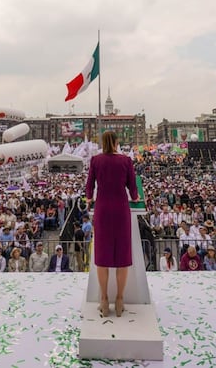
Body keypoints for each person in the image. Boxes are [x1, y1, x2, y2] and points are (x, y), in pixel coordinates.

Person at [85, 131, 139, 318]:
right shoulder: (126, 161)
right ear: (116, 143)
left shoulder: (95, 160)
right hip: (121, 209)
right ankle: (119, 299)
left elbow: (89, 185)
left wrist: (89, 198)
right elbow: (133, 188)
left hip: (103, 210)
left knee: (103, 255)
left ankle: (104, 299)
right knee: (122, 256)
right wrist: (136, 197)